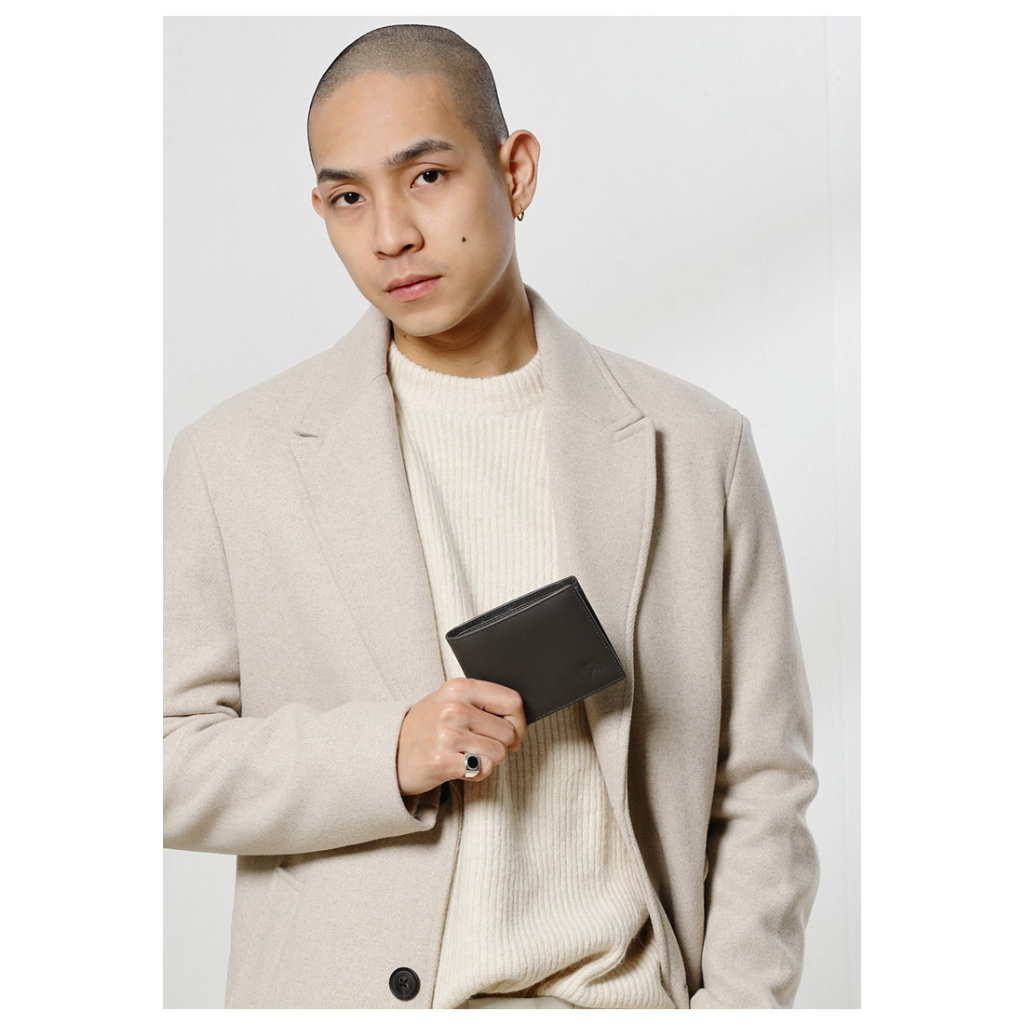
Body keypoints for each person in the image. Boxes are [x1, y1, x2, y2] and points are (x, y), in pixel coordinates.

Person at [163, 23, 820, 1010]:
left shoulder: (696, 445)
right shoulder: (233, 460)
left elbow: (763, 779)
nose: (389, 234)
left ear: (515, 172)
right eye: (348, 197)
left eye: (426, 176)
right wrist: (386, 751)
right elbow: (159, 757)